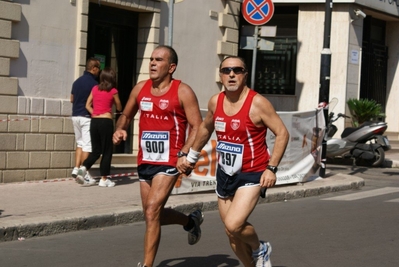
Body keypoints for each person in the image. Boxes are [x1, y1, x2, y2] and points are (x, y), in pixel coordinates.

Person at [182, 56, 289, 267]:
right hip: (225, 173)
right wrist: (192, 156)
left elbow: (282, 133)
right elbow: (205, 128)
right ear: (220, 75)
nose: (232, 74)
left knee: (234, 224)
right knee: (231, 233)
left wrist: (271, 168)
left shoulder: (257, 103)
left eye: (237, 70)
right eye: (226, 70)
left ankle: (260, 248)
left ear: (245, 74)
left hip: (252, 172)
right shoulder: (215, 101)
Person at [112, 45, 204, 267]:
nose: (152, 63)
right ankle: (190, 222)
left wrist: (185, 154)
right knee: (152, 215)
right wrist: (120, 128)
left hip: (170, 160)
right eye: (151, 59)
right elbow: (126, 113)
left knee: (152, 210)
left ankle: (146, 265)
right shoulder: (140, 88)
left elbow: (198, 126)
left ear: (171, 67)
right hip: (146, 160)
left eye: (159, 60)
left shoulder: (183, 91)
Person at [76, 67, 122, 187]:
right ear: (112, 78)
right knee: (107, 151)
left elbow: (87, 105)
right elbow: (119, 107)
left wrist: (95, 112)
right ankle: (104, 179)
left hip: (94, 121)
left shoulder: (95, 88)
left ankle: (83, 167)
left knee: (95, 150)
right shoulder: (113, 91)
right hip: (106, 121)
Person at [70, 57, 101, 181]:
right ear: (93, 68)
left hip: (75, 115)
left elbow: (71, 99)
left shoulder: (76, 82)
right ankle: (84, 172)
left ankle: (76, 168)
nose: (99, 71)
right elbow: (96, 100)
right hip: (86, 117)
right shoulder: (94, 84)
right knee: (88, 146)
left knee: (80, 143)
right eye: (98, 68)